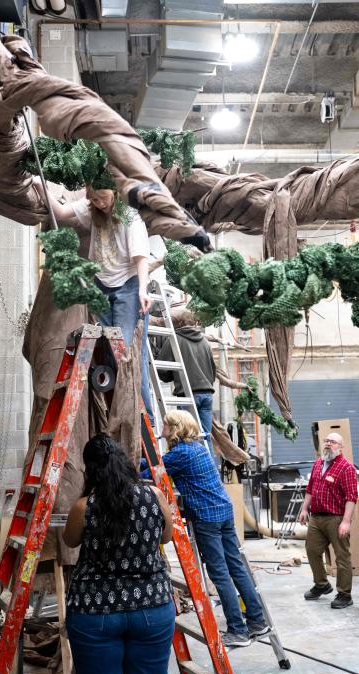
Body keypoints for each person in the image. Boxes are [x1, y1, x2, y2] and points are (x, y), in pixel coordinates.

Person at [63, 434, 175, 674]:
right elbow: (167, 536)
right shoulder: (154, 496)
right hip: (151, 607)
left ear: (91, 470)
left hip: (95, 612)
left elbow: (70, 540)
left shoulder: (84, 507)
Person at [160, 410, 270, 647]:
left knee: (219, 573)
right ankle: (257, 621)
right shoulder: (200, 448)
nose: (162, 430)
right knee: (236, 567)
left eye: (166, 426)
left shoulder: (178, 453)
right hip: (224, 511)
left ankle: (237, 630)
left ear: (175, 429)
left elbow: (150, 471)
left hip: (207, 517)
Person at [49, 184, 155, 422]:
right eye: (94, 199)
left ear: (114, 192)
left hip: (128, 287)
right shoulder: (92, 210)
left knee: (128, 357)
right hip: (101, 287)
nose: (100, 203)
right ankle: (115, 421)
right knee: (107, 355)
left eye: (103, 197)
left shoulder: (130, 217)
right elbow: (62, 213)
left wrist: (142, 289)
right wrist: (39, 185)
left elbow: (141, 258)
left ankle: (145, 421)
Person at [298, 432, 359, 609]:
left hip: (336, 519)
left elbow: (351, 497)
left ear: (341, 447)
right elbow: (310, 489)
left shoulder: (346, 468)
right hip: (316, 518)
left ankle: (345, 594)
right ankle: (322, 584)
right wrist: (304, 509)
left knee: (342, 557)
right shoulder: (318, 464)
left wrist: (346, 521)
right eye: (326, 441)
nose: (328, 444)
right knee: (311, 550)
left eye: (332, 442)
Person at [154, 310, 217, 449]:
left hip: (188, 396)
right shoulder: (205, 342)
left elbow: (162, 371)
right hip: (207, 394)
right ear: (194, 323)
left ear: (177, 323)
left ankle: (190, 470)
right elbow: (213, 371)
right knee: (205, 438)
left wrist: (172, 377)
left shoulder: (175, 339)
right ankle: (207, 469)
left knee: (186, 437)